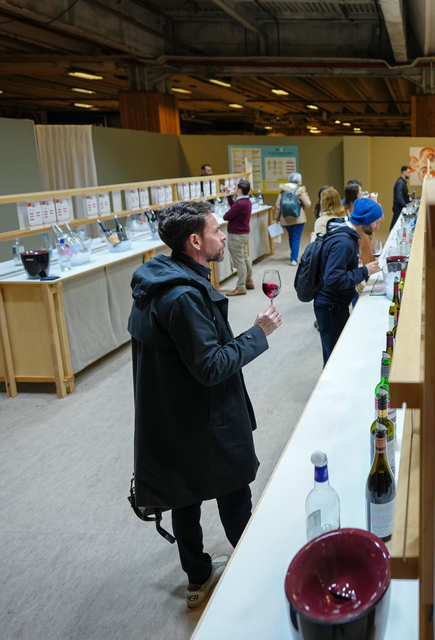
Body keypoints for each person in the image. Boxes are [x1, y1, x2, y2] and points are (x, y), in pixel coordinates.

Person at [127, 200, 282, 609]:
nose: (222, 235)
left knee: (185, 498)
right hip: (206, 419)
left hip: (173, 415)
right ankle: (253, 572)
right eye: (216, 230)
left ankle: (197, 576)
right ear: (195, 241)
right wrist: (258, 333)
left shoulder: (157, 283)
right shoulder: (183, 298)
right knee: (234, 497)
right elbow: (211, 366)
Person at [313, 198, 382, 364]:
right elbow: (332, 279)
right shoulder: (344, 242)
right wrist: (364, 271)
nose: (377, 226)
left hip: (334, 304)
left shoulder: (347, 235)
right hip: (331, 307)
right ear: (366, 220)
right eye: (376, 222)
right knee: (334, 359)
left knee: (335, 353)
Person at [222, 178, 253, 296]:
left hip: (236, 235)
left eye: (235, 187)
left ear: (239, 190)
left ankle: (241, 286)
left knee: (239, 262)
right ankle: (249, 281)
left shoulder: (240, 204)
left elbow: (226, 216)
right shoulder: (246, 202)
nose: (234, 188)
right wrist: (228, 195)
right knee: (245, 258)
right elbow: (234, 207)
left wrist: (229, 196)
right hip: (244, 234)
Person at [274, 172, 311, 266]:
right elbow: (308, 204)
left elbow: (278, 206)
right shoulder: (300, 190)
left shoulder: (283, 190)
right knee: (296, 238)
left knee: (291, 236)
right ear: (299, 180)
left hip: (285, 218)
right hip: (298, 217)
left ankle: (293, 254)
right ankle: (294, 258)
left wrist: (276, 218)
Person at [391, 166, 411, 230]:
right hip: (399, 207)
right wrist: (406, 206)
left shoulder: (403, 182)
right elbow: (399, 197)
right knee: (395, 225)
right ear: (404, 172)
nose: (410, 174)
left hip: (400, 206)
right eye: (409, 172)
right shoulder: (400, 183)